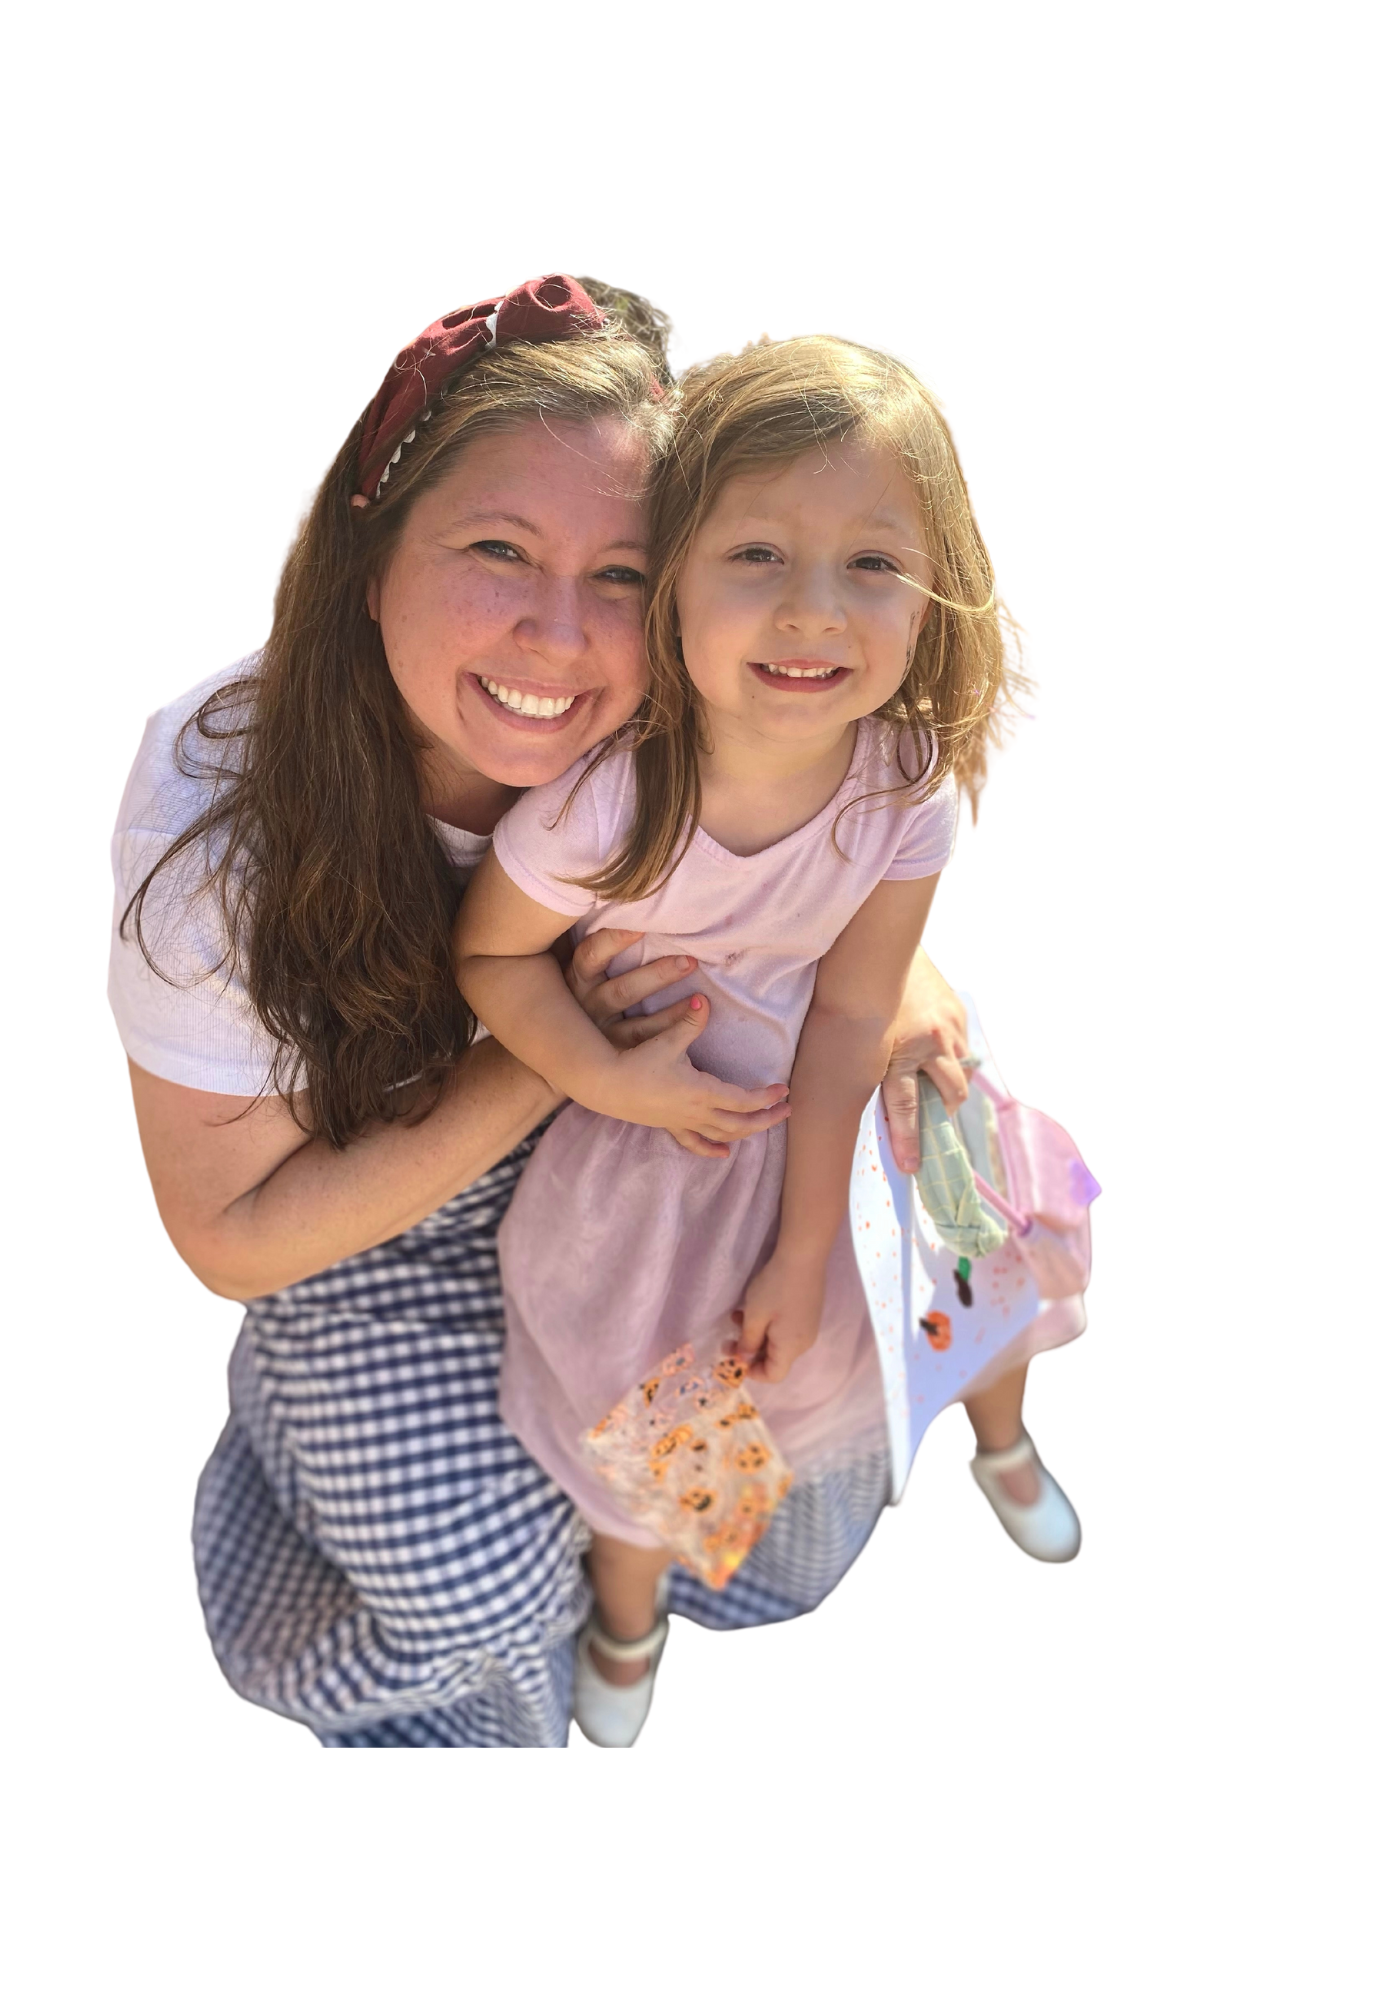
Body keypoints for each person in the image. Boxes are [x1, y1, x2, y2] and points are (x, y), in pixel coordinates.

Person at [109, 276, 1019, 1750]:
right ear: (370, 539)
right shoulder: (222, 829)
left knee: (778, 1504)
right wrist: (565, 1061)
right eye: (496, 548)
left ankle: (633, 1583)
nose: (555, 633)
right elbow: (227, 1235)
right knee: (472, 1598)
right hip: (374, 1215)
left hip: (652, 1167)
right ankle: (334, 1510)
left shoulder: (685, 697)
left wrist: (891, 976)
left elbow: (829, 826)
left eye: (621, 573)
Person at [455, 334, 1081, 1747]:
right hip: (673, 1138)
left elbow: (859, 1005)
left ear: (938, 595)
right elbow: (490, 954)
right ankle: (630, 1613)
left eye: (873, 564)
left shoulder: (901, 788)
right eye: (757, 556)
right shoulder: (605, 811)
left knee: (981, 1256)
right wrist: (604, 1068)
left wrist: (809, 1245)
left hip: (838, 1097)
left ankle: (1002, 1434)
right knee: (675, 1413)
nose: (814, 613)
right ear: (668, 574)